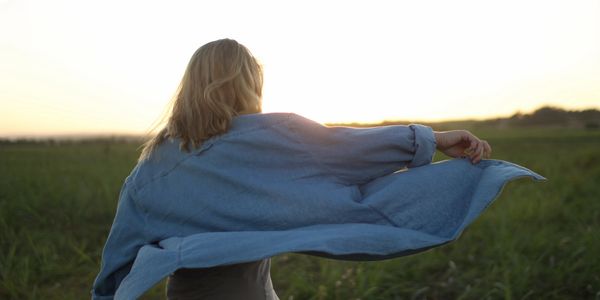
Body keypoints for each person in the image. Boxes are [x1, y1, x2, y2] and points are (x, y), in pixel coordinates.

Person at [91, 38, 544, 300]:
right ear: (249, 84)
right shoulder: (276, 135)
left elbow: (118, 258)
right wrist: (431, 139)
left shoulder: (150, 171)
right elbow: (347, 148)